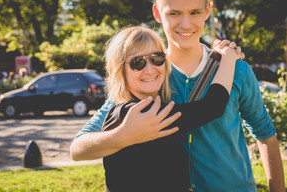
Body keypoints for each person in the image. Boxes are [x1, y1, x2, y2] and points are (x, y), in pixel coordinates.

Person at [71, 0, 285, 192]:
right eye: (174, 13)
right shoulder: (146, 79)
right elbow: (78, 148)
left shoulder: (237, 71)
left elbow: (266, 136)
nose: (185, 24)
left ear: (207, 11)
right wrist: (122, 136)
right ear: (157, 13)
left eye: (194, 12)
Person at [86, 26, 242, 191]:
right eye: (137, 62)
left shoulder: (140, 109)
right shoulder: (138, 113)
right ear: (120, 70)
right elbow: (212, 106)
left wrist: (215, 58)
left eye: (157, 58)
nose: (150, 69)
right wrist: (228, 58)